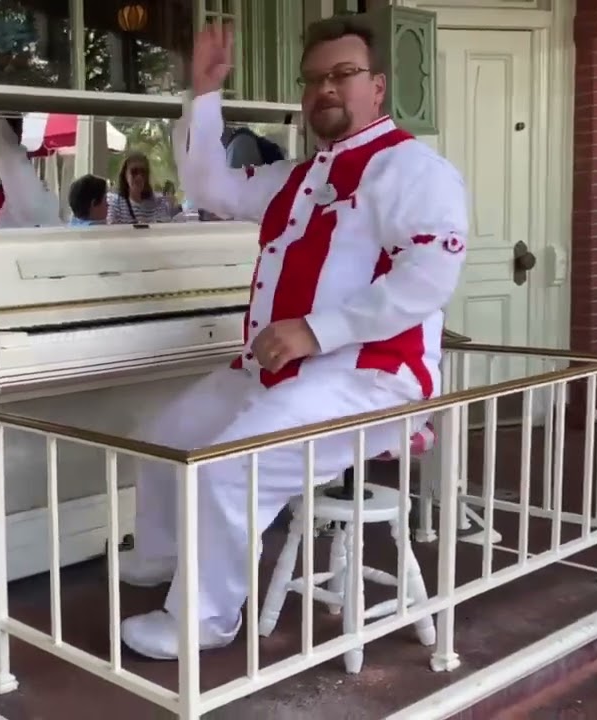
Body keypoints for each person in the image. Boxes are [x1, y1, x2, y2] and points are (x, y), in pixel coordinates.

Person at [118, 18, 469, 661]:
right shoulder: (297, 176)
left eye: (342, 74)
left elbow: (428, 278)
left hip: (369, 377)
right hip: (277, 370)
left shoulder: (415, 169)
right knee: (161, 435)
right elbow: (207, 186)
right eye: (312, 80)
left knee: (227, 469)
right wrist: (203, 94)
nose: (324, 89)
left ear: (378, 86)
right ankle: (169, 556)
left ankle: (204, 618)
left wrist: (317, 331)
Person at [107, 152, 175, 225]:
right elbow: (112, 231)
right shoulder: (115, 204)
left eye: (143, 172)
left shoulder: (159, 203)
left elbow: (164, 231)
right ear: (125, 175)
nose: (139, 177)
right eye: (134, 172)